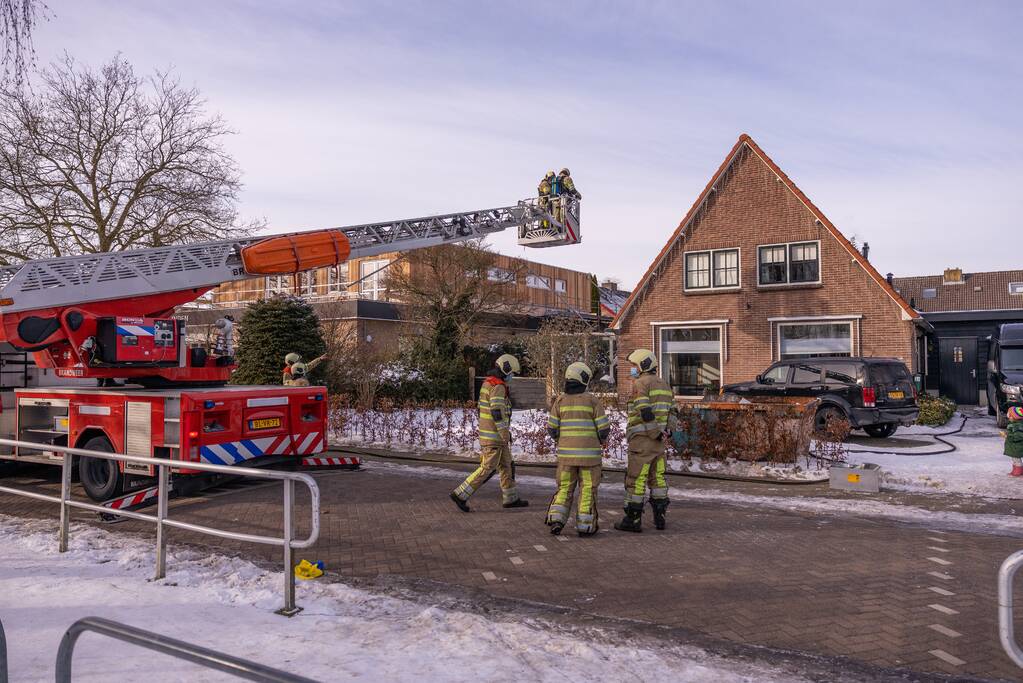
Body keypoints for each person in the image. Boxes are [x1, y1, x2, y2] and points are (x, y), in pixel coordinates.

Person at [451, 354, 529, 512]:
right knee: (487, 468)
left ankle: (510, 498)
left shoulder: (488, 383)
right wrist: (504, 432)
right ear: (506, 371)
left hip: (494, 436)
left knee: (507, 465)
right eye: (512, 373)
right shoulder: (498, 386)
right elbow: (497, 412)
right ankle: (460, 494)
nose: (512, 376)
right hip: (495, 437)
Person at [545, 362, 610, 536]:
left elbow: (552, 428)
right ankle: (585, 526)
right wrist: (599, 440)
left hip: (566, 457)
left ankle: (557, 519)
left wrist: (562, 440)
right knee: (588, 488)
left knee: (565, 487)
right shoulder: (592, 401)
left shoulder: (559, 401)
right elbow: (604, 429)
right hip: (589, 458)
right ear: (583, 380)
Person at [614, 348, 673, 533]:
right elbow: (674, 411)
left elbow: (644, 410)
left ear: (642, 365)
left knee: (636, 479)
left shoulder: (640, 384)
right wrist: (667, 432)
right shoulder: (665, 384)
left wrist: (654, 432)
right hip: (659, 443)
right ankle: (660, 517)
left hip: (643, 440)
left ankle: (632, 520)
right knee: (658, 479)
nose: (632, 369)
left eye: (634, 365)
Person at [1005, 406, 1023, 476]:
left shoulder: (1018, 426)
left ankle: (1018, 471)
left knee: (1017, 459)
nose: (1009, 418)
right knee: (1014, 459)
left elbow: (1018, 436)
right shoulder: (1013, 424)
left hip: (1017, 446)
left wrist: (1008, 436)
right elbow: (1012, 433)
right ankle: (1015, 470)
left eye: (1010, 416)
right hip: (1013, 446)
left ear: (1015, 417)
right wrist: (1007, 434)